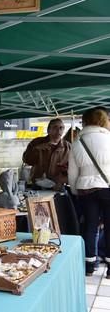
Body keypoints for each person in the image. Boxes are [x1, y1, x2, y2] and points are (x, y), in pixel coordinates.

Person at [68, 107, 110, 276]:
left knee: (90, 227)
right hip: (108, 188)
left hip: (86, 189)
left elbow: (72, 172)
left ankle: (89, 266)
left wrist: (74, 190)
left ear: (85, 121)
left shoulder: (78, 142)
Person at [22, 118, 70, 188]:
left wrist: (63, 180)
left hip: (57, 186)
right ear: (48, 130)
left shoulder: (68, 147)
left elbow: (71, 169)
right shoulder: (36, 142)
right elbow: (26, 160)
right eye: (55, 127)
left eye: (61, 128)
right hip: (38, 185)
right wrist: (36, 150)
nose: (58, 130)